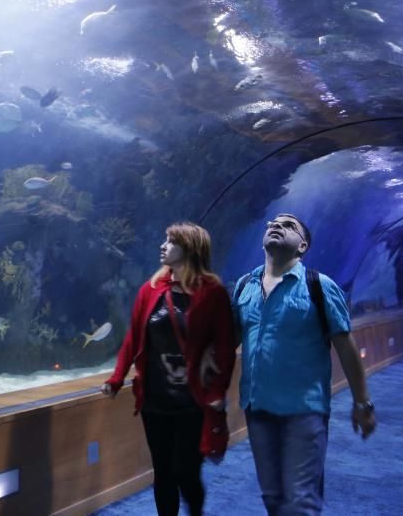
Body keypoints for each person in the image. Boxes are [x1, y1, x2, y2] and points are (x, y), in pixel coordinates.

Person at [229, 213, 376, 515]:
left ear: (303, 246)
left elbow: (347, 349)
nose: (276, 226)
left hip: (304, 411)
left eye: (288, 225)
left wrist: (363, 403)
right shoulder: (245, 285)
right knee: (272, 497)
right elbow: (228, 341)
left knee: (300, 501)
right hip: (257, 408)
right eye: (273, 223)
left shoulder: (319, 286)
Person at [102, 222, 236, 516]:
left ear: (189, 249)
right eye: (164, 239)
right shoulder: (149, 290)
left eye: (171, 241)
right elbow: (133, 337)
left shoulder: (213, 293)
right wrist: (116, 377)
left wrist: (217, 391)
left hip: (193, 401)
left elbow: (225, 346)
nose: (163, 245)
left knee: (186, 472)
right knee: (163, 472)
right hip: (155, 400)